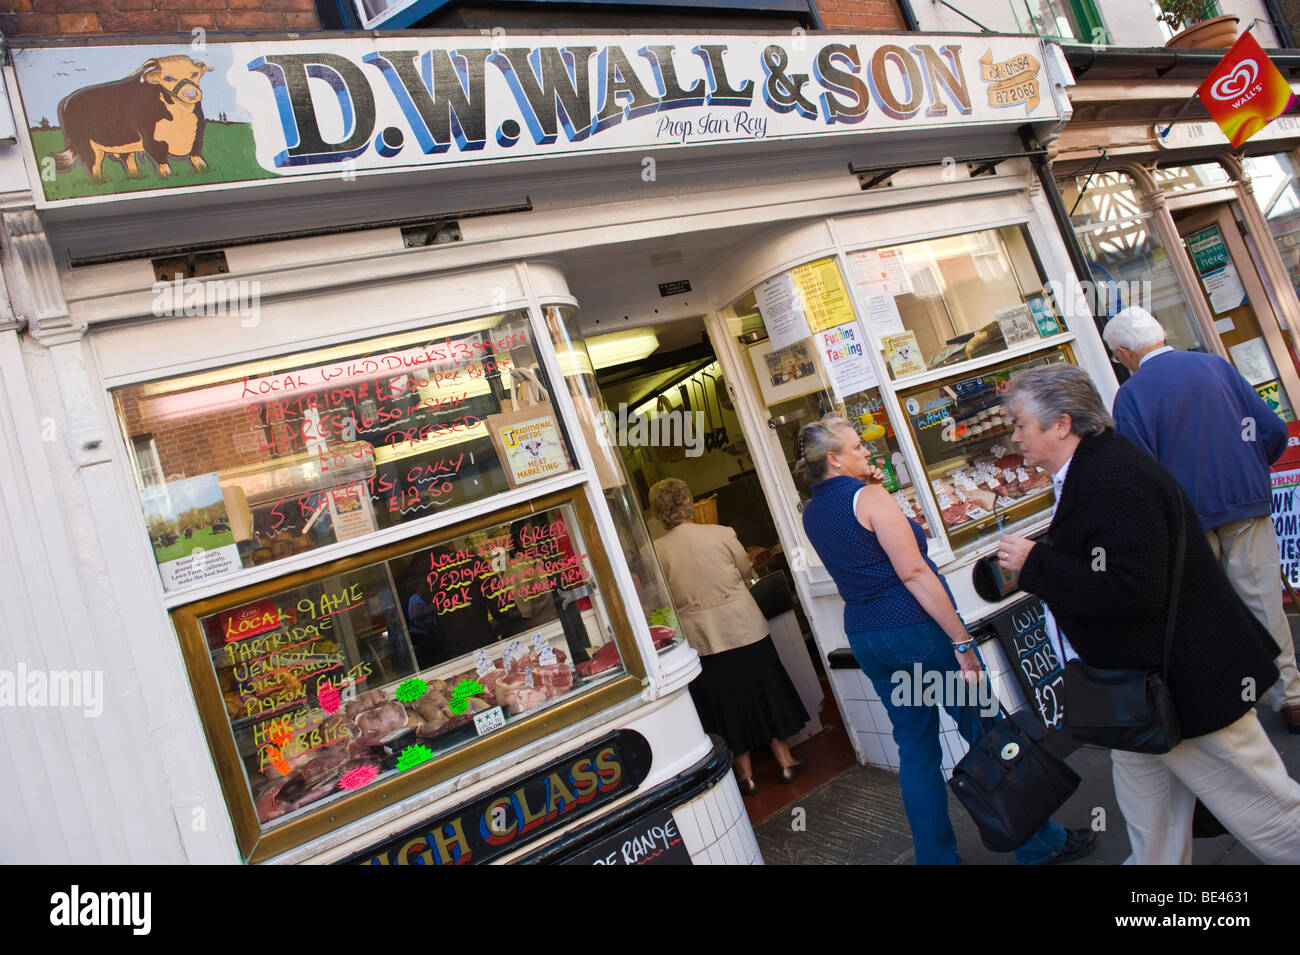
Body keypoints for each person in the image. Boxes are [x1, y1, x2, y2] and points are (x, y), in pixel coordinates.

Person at [997, 363, 1300, 864]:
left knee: (1269, 811)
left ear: (1062, 423)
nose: (1015, 437)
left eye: (1021, 424)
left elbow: (1135, 590)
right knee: (1153, 825)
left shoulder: (1110, 478)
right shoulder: (1094, 469)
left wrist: (1038, 565)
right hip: (1139, 694)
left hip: (1186, 685)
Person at [797, 417, 1095, 865]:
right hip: (916, 631)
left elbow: (865, 548)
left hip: (867, 637)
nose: (867, 454)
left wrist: (878, 489)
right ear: (834, 459)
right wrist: (960, 639)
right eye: (858, 449)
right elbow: (913, 570)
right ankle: (1039, 845)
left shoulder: (812, 512)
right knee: (986, 731)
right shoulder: (869, 496)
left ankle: (936, 860)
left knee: (916, 751)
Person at [1103, 306, 1300, 733]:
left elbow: (1139, 471)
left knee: (1210, 612)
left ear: (1124, 352)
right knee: (1264, 602)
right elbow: (1273, 431)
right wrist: (1248, 468)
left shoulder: (1132, 395)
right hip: (1244, 501)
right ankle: (1291, 698)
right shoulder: (1215, 366)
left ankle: (1236, 705)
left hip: (1187, 519)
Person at [648, 478, 808, 794]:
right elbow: (747, 568)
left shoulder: (655, 551)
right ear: (689, 503)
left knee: (724, 705)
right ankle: (785, 759)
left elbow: (659, 598)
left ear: (657, 514)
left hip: (701, 639)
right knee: (765, 692)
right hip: (743, 627)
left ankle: (745, 774)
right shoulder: (721, 534)